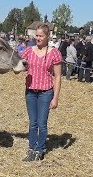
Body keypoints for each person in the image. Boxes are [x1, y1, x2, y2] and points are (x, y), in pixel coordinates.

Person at [20, 24, 62, 161]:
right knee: (33, 122)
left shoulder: (54, 53)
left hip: (46, 93)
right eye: (36, 35)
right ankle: (32, 148)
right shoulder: (27, 51)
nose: (37, 38)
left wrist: (55, 98)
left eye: (40, 36)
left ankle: (40, 149)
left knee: (42, 123)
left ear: (47, 36)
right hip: (30, 92)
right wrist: (17, 67)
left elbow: (58, 77)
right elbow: (17, 68)